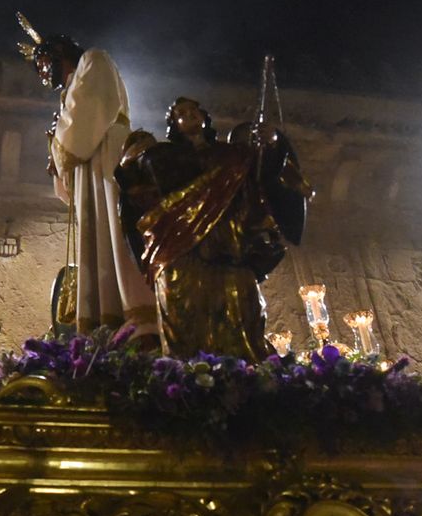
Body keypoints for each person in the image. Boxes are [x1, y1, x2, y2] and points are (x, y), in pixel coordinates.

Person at [117, 97, 311, 360]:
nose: (190, 115)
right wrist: (131, 157)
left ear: (205, 116)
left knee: (242, 310)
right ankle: (186, 377)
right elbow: (134, 187)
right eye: (181, 113)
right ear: (174, 124)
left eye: (193, 110)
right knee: (183, 312)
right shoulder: (164, 157)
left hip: (230, 248)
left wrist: (274, 142)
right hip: (178, 248)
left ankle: (244, 375)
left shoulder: (232, 155)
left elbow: (265, 172)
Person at [17, 14, 157, 341]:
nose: (41, 72)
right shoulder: (65, 93)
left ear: (58, 53)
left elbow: (90, 109)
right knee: (96, 239)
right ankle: (100, 321)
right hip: (88, 166)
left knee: (115, 231)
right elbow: (71, 134)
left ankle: (137, 314)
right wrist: (58, 150)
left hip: (107, 156)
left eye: (42, 62)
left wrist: (59, 145)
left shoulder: (94, 60)